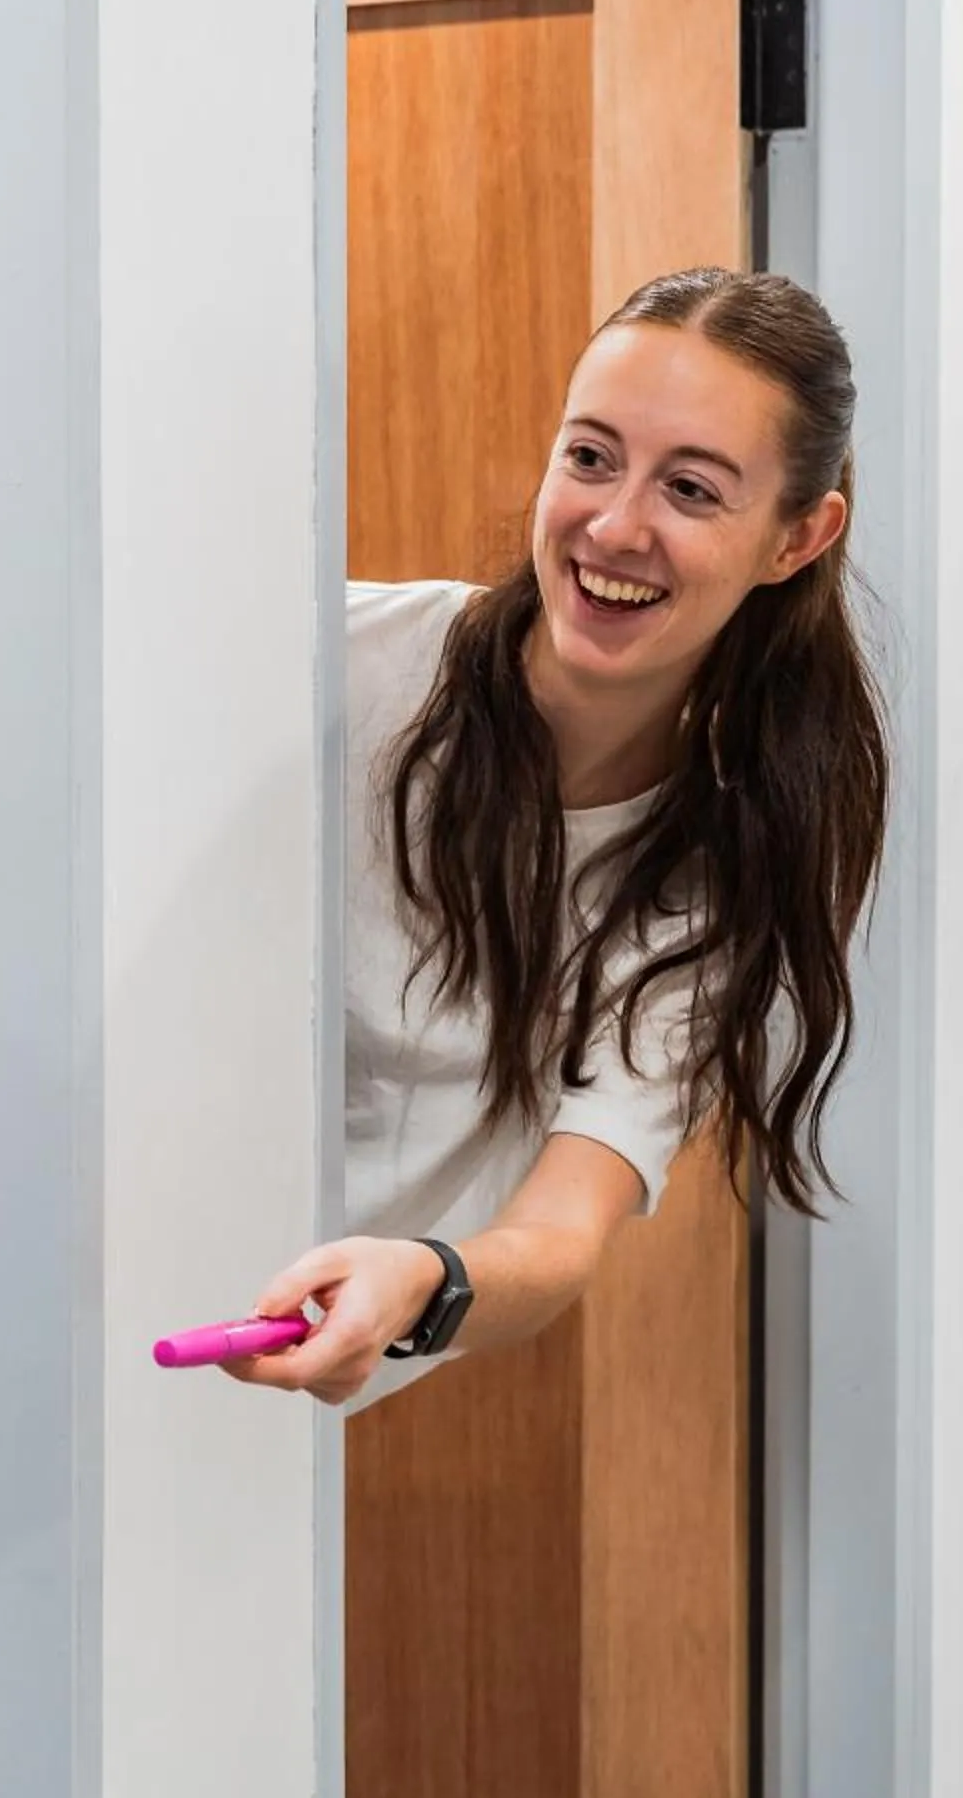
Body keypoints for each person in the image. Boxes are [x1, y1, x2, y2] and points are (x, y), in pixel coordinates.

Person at [228, 268, 888, 1407]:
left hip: (265, 1379)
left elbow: (558, 1234)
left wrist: (424, 1280)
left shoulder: (723, 863)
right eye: (590, 457)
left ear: (798, 537)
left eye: (691, 489)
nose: (616, 526)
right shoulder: (334, 665)